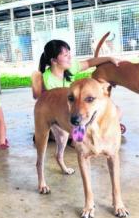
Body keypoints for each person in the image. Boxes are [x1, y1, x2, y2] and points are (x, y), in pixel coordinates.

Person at [31, 39, 122, 174]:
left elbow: (90, 62)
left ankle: (72, 143)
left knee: (114, 111)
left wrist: (109, 58)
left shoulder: (70, 69)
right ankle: (41, 170)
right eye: (66, 55)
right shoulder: (47, 79)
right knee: (80, 136)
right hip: (61, 116)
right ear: (54, 60)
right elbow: (40, 97)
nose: (70, 57)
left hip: (75, 117)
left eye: (69, 54)